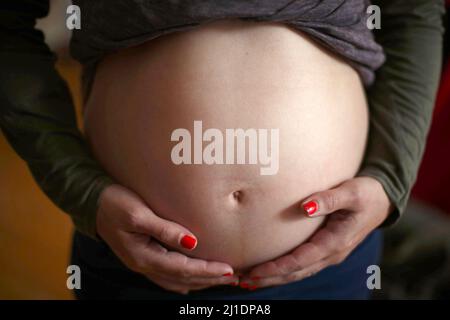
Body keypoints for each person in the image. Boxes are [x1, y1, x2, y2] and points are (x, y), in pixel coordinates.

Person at [0, 0, 444, 299]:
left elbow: (412, 11)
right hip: (130, 258)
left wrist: (391, 178)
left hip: (326, 262)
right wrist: (78, 188)